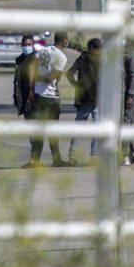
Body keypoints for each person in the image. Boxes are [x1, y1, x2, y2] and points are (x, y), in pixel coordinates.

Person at [25, 32, 71, 168]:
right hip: (51, 97)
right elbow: (52, 77)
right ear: (64, 41)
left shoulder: (43, 50)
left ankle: (34, 160)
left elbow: (31, 66)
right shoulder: (61, 57)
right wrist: (41, 78)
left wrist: (32, 87)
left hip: (39, 94)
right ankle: (56, 159)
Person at [68, 38, 102, 164]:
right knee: (97, 128)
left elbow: (69, 74)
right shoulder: (102, 60)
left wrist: (77, 86)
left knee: (79, 127)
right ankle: (94, 157)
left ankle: (72, 156)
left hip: (84, 98)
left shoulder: (81, 59)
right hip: (98, 98)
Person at [122, 43, 134, 164]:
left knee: (126, 123)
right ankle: (132, 153)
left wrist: (131, 95)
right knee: (131, 123)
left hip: (129, 95)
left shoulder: (131, 53)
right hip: (125, 94)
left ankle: (127, 155)